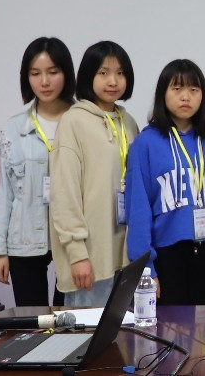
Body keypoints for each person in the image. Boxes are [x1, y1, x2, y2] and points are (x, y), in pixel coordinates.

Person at [126, 59, 205, 304]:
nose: (185, 97)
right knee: (172, 324)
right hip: (167, 255)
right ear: (163, 93)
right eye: (177, 88)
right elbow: (138, 209)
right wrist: (146, 268)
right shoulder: (145, 143)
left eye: (194, 89)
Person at [51, 41, 137, 306]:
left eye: (120, 73)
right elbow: (64, 193)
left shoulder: (128, 123)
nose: (113, 81)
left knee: (125, 332)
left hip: (125, 259)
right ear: (89, 75)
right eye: (103, 72)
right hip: (90, 262)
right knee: (88, 332)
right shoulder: (73, 121)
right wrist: (77, 254)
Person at [0, 37, 75, 307]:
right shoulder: (14, 128)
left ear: (66, 73)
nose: (45, 82)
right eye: (35, 73)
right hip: (24, 237)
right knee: (32, 323)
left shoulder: (82, 122)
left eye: (53, 72)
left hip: (73, 240)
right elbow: (4, 193)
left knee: (70, 321)